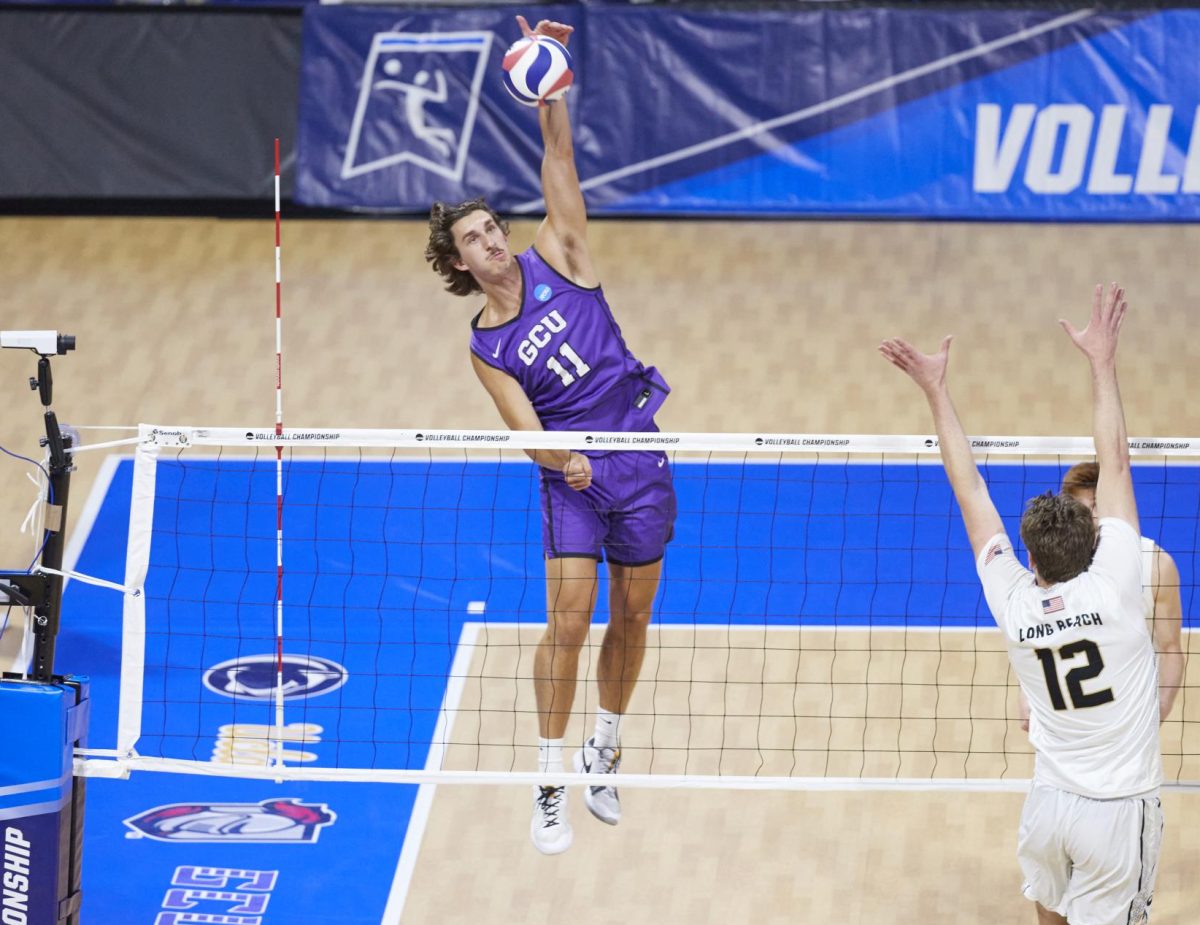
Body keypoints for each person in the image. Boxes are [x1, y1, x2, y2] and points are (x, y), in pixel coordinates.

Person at [424, 16, 675, 856]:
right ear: (459, 264)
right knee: (566, 622)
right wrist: (561, 459)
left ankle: (606, 744)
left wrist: (551, 93)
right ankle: (547, 775)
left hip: (638, 457)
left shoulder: (560, 252)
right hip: (569, 476)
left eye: (493, 227)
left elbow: (558, 165)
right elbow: (523, 431)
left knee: (633, 617)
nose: (492, 240)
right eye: (474, 239)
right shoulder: (484, 346)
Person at [880, 283, 1163, 924]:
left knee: (1048, 912)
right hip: (1119, 812)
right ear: (1094, 542)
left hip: (1050, 806)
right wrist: (1102, 361)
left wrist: (935, 389)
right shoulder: (1117, 580)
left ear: (1030, 559)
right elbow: (1114, 461)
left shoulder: (1014, 602)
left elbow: (969, 486)